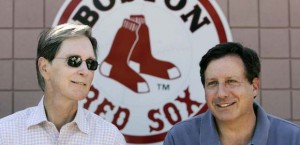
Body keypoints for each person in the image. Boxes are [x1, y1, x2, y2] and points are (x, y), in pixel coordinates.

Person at [0, 23, 127, 145]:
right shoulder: (6, 134)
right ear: (44, 67)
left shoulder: (109, 138)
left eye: (90, 63)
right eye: (74, 60)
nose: (85, 71)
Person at [163, 42, 300, 145]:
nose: (221, 93)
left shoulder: (293, 139)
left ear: (254, 86)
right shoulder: (180, 138)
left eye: (231, 81)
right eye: (212, 83)